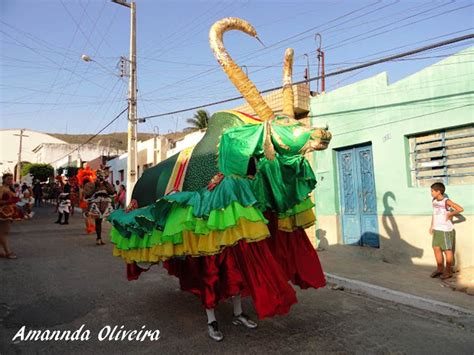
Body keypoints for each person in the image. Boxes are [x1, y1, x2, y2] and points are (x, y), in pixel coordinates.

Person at [429, 182, 464, 280]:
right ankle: (440, 269)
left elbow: (460, 209)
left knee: (447, 251)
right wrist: (432, 225)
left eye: (432, 191)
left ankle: (448, 272)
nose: (431, 193)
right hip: (437, 229)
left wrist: (451, 214)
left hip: (445, 230)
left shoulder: (446, 201)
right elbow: (434, 213)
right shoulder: (434, 201)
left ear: (438, 191)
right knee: (436, 248)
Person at [85, 170, 114, 245]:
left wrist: (105, 183)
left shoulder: (105, 184)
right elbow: (88, 194)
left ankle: (100, 238)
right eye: (100, 176)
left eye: (102, 176)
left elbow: (112, 191)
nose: (101, 177)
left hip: (104, 206)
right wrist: (95, 185)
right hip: (98, 206)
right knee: (98, 222)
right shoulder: (94, 184)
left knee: (101, 222)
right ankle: (99, 238)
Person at [0, 173, 23, 259]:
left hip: (9, 212)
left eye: (11, 179)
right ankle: (7, 252)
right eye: (8, 179)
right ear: (4, 179)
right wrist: (8, 201)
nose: (10, 180)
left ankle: (2, 251)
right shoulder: (2, 189)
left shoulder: (10, 189)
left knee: (3, 232)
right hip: (3, 213)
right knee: (4, 232)